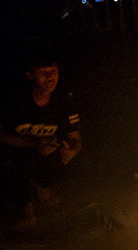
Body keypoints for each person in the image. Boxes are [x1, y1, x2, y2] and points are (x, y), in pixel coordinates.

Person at [0, 41, 82, 227]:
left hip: (45, 152)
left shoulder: (64, 99)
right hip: (16, 152)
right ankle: (23, 203)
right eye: (43, 72)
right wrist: (31, 143)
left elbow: (76, 138)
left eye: (53, 71)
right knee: (8, 160)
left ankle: (42, 187)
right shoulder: (14, 100)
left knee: (76, 160)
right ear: (29, 75)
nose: (50, 77)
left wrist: (72, 151)